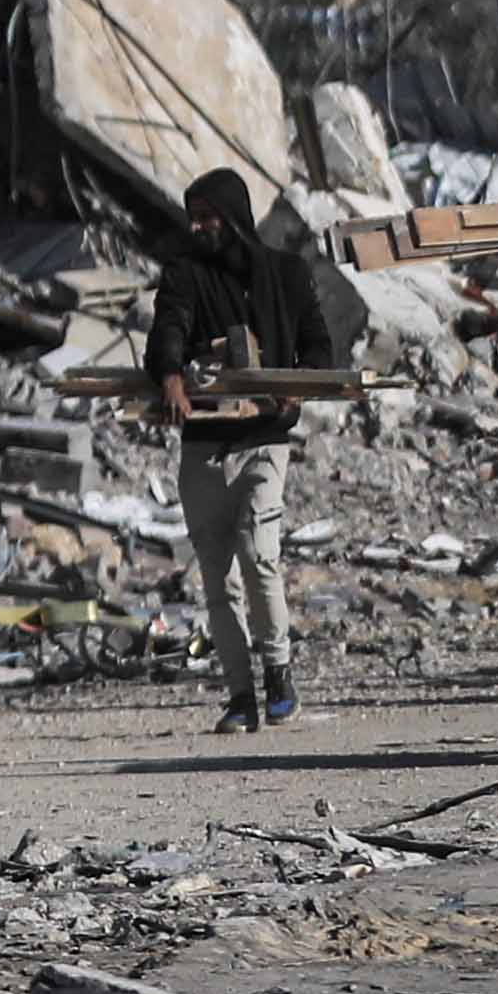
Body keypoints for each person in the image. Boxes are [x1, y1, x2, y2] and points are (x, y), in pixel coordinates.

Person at [142, 167, 332, 733]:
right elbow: (168, 328)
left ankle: (278, 674)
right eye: (193, 216)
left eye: (208, 216)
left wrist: (294, 387)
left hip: (264, 442)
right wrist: (171, 375)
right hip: (203, 445)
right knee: (218, 581)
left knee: (260, 557)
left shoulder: (288, 275)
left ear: (234, 216)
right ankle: (239, 696)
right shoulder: (185, 274)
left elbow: (319, 346)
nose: (199, 227)